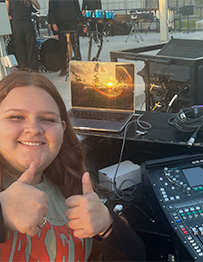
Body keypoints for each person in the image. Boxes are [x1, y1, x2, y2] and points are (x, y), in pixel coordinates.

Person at [0, 70, 146, 261]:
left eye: (48, 119)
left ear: (62, 130)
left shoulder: (73, 186)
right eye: (16, 117)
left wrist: (109, 226)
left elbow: (137, 256)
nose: (34, 129)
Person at [48, 0, 84, 77]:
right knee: (63, 48)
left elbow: (77, 9)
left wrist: (83, 22)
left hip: (73, 23)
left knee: (76, 45)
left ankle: (79, 66)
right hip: (61, 24)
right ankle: (63, 68)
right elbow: (51, 11)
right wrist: (52, 22)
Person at [5, 0, 40, 71]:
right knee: (19, 47)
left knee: (30, 46)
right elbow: (6, 11)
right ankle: (24, 68)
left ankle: (32, 69)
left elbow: (38, 7)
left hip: (26, 20)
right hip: (17, 21)